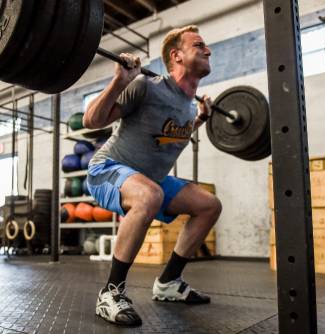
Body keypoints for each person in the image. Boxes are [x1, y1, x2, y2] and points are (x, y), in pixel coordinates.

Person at [84, 25, 222, 327]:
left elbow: (173, 134)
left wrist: (200, 119)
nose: (208, 50)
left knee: (209, 205)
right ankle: (110, 292)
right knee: (150, 195)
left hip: (151, 179)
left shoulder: (189, 107)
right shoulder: (147, 86)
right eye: (199, 45)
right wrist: (119, 81)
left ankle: (169, 282)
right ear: (177, 56)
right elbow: (90, 119)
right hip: (107, 170)